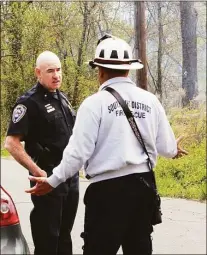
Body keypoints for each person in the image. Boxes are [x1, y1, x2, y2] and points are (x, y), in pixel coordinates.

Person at [25, 36, 188, 255]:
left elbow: (77, 153)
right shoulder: (150, 101)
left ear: (99, 71)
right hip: (143, 188)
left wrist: (52, 181)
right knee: (139, 248)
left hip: (106, 193)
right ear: (129, 70)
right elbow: (167, 148)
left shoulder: (94, 104)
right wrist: (174, 150)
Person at [4, 51, 79, 255]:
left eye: (58, 70)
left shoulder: (61, 97)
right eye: (50, 71)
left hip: (69, 178)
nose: (56, 75)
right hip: (46, 179)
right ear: (38, 73)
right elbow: (11, 143)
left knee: (65, 237)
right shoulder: (29, 102)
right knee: (48, 239)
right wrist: (37, 171)